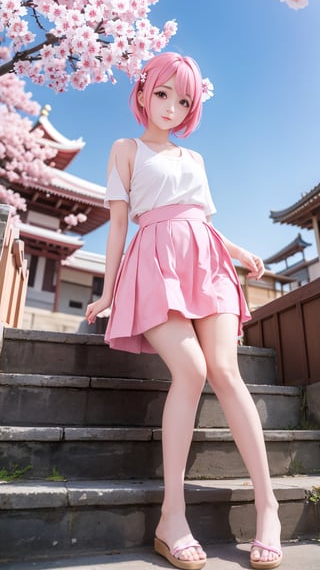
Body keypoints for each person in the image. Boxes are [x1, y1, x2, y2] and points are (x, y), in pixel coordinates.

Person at [85, 52, 282, 570]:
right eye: (164, 94)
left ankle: (268, 508)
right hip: (153, 261)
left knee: (225, 370)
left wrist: (239, 253)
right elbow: (119, 225)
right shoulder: (126, 149)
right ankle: (172, 517)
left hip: (208, 260)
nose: (171, 107)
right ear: (145, 90)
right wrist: (107, 293)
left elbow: (203, 220)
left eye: (184, 100)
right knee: (191, 370)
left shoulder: (193, 159)